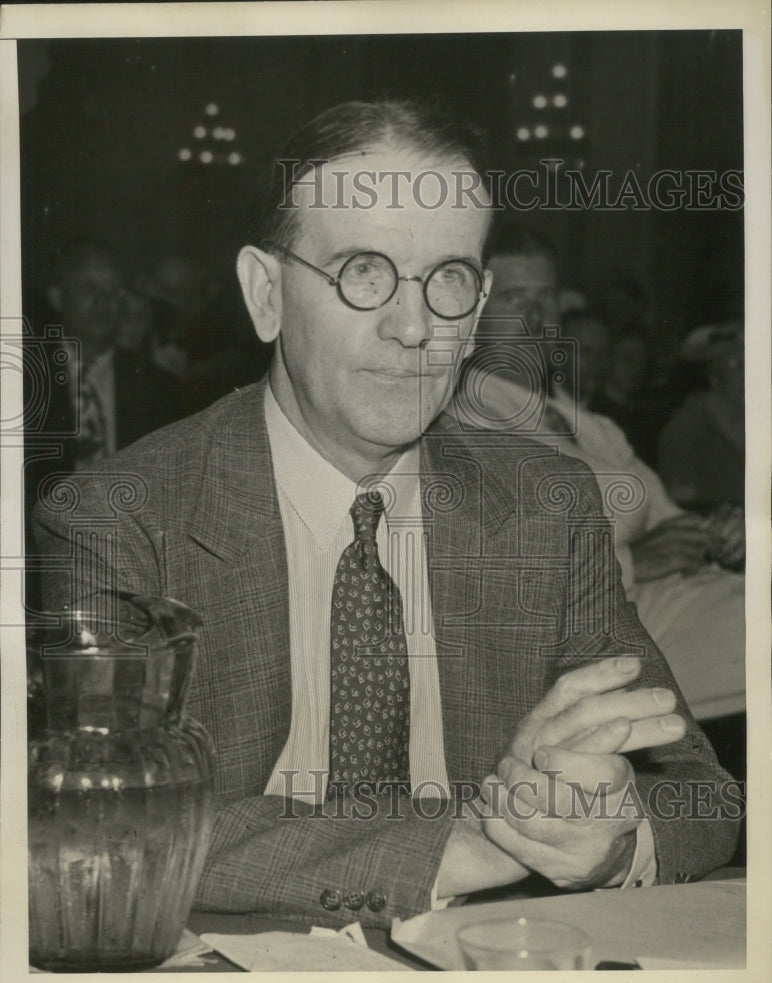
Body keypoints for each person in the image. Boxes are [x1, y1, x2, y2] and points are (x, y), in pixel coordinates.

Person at [33, 101, 738, 928]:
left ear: (476, 313)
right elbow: (106, 821)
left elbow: (705, 797)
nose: (414, 328)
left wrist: (612, 837)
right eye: (363, 271)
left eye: (448, 280)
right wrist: (474, 842)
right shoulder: (118, 517)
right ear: (266, 294)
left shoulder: (548, 508)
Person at [455, 223, 745, 724]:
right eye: (513, 297)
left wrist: (721, 533)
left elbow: (669, 518)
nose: (535, 313)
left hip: (681, 600)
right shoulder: (460, 421)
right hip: (595, 640)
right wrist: (634, 562)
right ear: (473, 312)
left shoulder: (587, 423)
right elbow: (492, 574)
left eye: (545, 295)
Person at [658, 321, 745, 516]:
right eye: (736, 366)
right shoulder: (687, 426)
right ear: (714, 376)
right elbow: (681, 508)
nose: (747, 375)